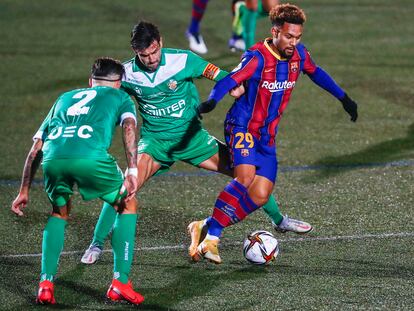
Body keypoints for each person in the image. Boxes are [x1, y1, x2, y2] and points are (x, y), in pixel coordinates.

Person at [81, 21, 312, 265]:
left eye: (153, 52)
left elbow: (218, 74)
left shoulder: (183, 60)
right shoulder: (127, 72)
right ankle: (95, 244)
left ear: (160, 43)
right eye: (143, 55)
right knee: (125, 189)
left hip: (194, 139)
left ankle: (279, 220)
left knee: (250, 174)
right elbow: (107, 92)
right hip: (155, 144)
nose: (150, 59)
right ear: (136, 51)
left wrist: (235, 86)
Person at [191, 3, 359, 264]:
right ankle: (213, 238)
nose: (294, 42)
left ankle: (204, 225)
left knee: (259, 195)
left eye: (298, 37)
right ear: (275, 32)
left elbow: (318, 74)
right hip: (242, 126)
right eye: (289, 36)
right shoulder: (257, 56)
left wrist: (344, 98)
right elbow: (230, 80)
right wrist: (212, 100)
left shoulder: (299, 56)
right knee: (244, 176)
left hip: (267, 137)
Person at [11, 58, 144, 305]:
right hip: (90, 159)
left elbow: (35, 149)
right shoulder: (122, 98)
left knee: (59, 213)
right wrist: (133, 170)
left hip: (54, 160)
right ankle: (120, 282)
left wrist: (24, 191)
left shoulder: (64, 98)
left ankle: (45, 284)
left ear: (90, 81)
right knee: (127, 204)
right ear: (119, 83)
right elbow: (128, 129)